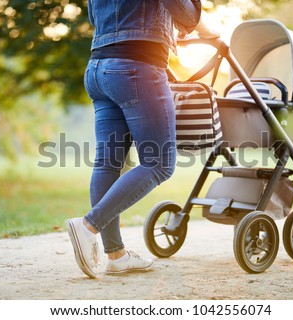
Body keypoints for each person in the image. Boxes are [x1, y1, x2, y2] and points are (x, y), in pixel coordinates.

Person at [66, 0, 219, 278]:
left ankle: (115, 255)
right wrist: (208, 31)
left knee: (108, 164)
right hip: (137, 66)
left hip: (97, 68)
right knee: (159, 164)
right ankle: (89, 226)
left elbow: (95, 15)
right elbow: (185, 12)